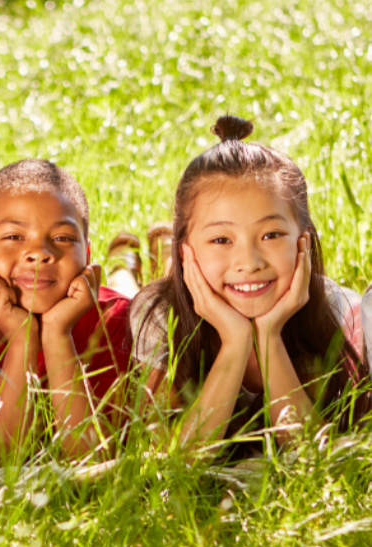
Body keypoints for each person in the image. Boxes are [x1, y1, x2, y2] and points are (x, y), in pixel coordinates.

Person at [132, 115, 369, 457]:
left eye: (271, 235)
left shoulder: (335, 309)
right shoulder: (158, 314)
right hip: (177, 286)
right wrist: (236, 341)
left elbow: (314, 461)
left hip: (225, 283)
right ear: (186, 250)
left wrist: (268, 337)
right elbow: (175, 462)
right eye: (221, 238)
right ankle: (133, 262)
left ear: (304, 241)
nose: (250, 261)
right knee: (129, 290)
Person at [0, 159, 132, 460]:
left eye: (63, 238)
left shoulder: (119, 319)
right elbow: (0, 466)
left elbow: (92, 462)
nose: (39, 254)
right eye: (14, 237)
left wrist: (57, 335)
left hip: (116, 297)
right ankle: (125, 262)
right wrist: (23, 339)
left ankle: (124, 267)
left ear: (87, 257)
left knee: (135, 293)